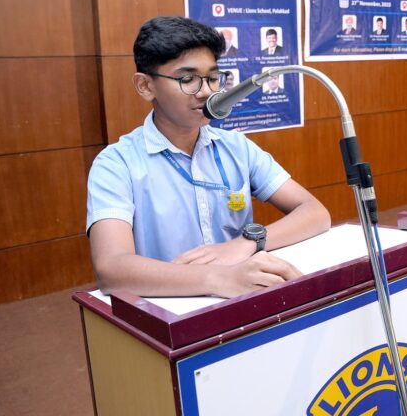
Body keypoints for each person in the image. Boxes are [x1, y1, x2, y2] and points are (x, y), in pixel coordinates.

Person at [86, 16, 331, 298]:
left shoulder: (236, 147)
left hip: (243, 297)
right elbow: (111, 269)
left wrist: (245, 243)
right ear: (145, 86)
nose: (206, 92)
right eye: (187, 79)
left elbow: (315, 213)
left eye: (213, 78)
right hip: (170, 310)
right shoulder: (116, 164)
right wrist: (219, 278)